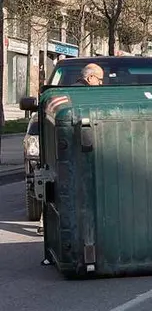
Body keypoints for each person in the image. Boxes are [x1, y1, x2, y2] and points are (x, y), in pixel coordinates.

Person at [39, 63, 104, 236]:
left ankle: (46, 223)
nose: (101, 84)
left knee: (59, 186)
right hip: (80, 149)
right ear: (90, 78)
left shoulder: (67, 92)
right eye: (100, 80)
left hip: (63, 152)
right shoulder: (86, 94)